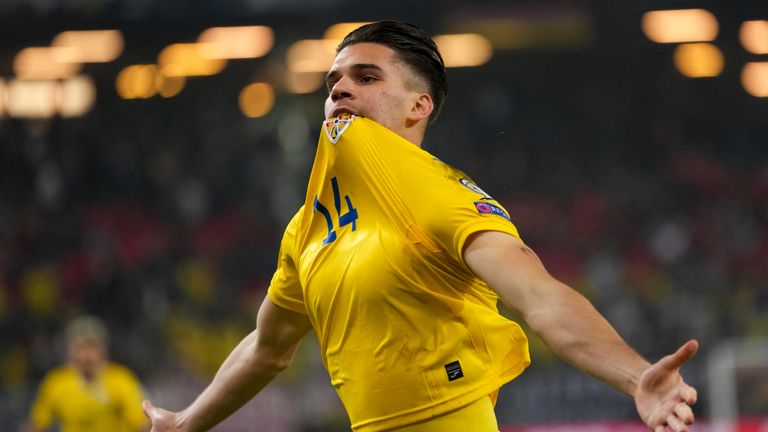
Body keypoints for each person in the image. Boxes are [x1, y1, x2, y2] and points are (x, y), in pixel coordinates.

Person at [143, 20, 698, 432]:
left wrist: (634, 377)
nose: (339, 89)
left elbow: (541, 297)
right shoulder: (307, 230)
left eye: (366, 77)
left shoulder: (441, 194)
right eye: (333, 80)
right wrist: (187, 423)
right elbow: (268, 347)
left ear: (418, 107)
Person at [25, 316, 150, 432]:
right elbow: (37, 424)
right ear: (70, 351)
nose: (86, 356)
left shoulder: (121, 379)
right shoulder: (57, 382)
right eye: (80, 348)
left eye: (92, 347)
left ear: (103, 350)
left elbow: (141, 423)